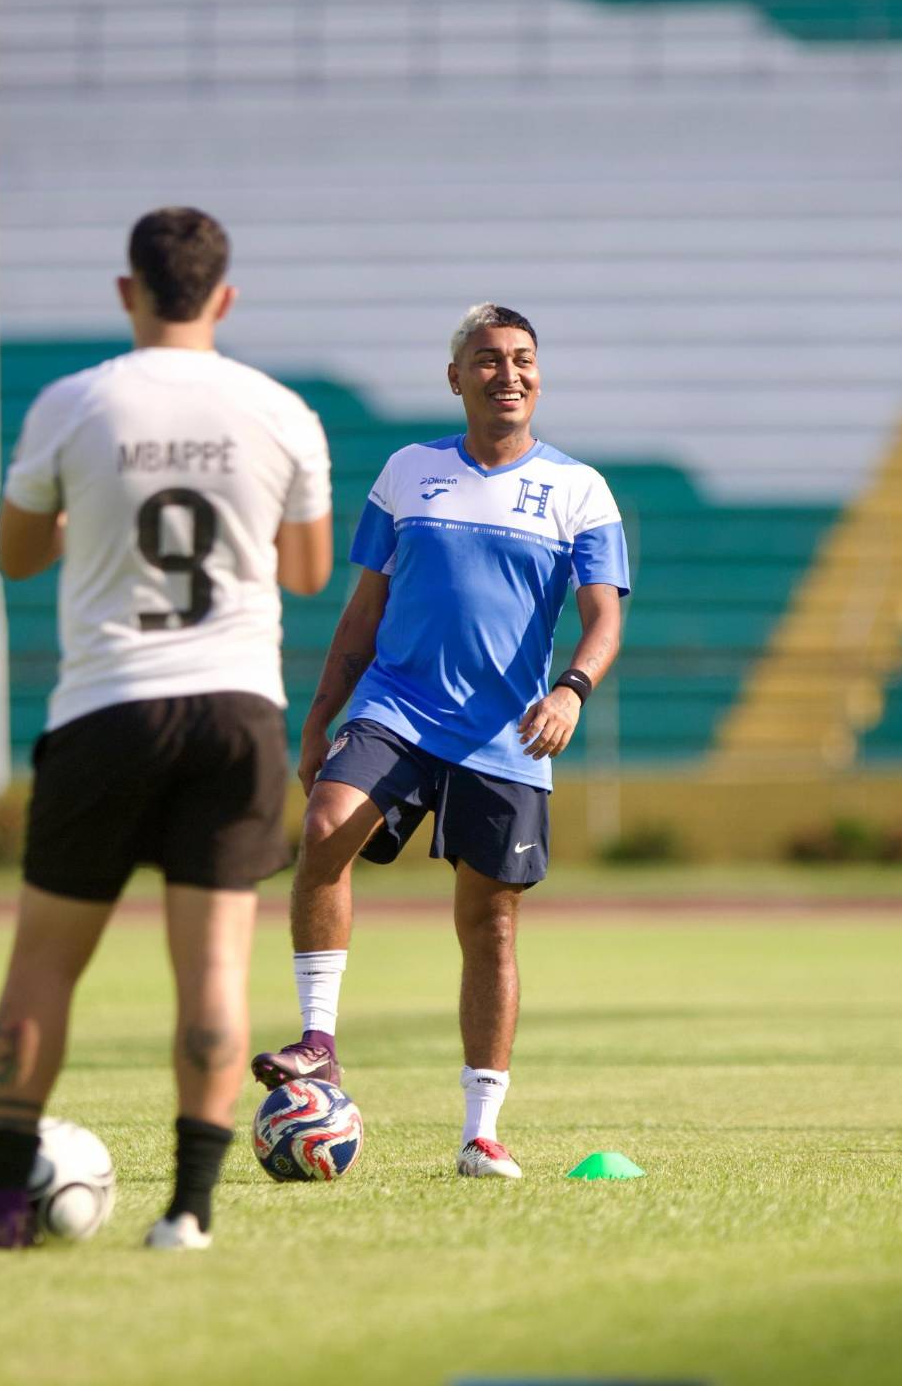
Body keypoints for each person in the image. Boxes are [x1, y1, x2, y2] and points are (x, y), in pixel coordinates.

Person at [0, 207, 332, 1250]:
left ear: (128, 291)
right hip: (239, 709)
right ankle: (190, 1213)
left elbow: (17, 556)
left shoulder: (75, 405)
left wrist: (86, 520)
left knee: (44, 965)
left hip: (109, 706)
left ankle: (0, 1203)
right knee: (211, 972)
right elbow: (306, 571)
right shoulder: (283, 411)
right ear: (226, 296)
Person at [252, 303, 629, 1178]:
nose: (509, 374)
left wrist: (571, 690)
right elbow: (363, 610)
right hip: (397, 710)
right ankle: (318, 1043)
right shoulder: (407, 473)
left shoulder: (580, 489)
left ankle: (481, 1130)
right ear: (455, 377)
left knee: (489, 927)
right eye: (489, 360)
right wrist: (318, 715)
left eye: (523, 359)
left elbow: (604, 618)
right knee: (321, 832)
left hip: (506, 734)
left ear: (539, 374)